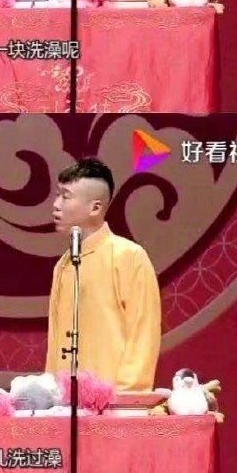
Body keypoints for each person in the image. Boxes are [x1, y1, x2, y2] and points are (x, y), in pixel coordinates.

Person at [47, 160, 162, 391]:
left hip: (113, 399)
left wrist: (126, 395)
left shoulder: (128, 256)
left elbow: (143, 335)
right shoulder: (64, 265)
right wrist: (52, 391)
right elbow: (55, 341)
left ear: (95, 208)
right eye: (57, 195)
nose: (56, 205)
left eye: (65, 196)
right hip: (66, 401)